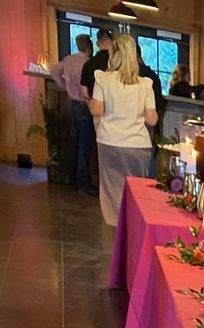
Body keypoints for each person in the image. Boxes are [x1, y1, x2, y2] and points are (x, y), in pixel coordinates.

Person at [89, 34, 157, 227]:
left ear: (114, 54)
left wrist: (90, 105)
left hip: (109, 141)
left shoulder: (103, 78)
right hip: (138, 144)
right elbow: (152, 120)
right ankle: (134, 228)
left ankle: (116, 231)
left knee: (113, 192)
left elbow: (98, 109)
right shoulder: (145, 84)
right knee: (138, 192)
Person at [50, 33, 96, 194]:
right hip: (84, 105)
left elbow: (54, 71)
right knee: (85, 144)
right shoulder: (87, 64)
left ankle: (75, 180)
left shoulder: (68, 60)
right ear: (89, 47)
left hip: (71, 103)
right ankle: (83, 184)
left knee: (75, 142)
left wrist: (64, 86)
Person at [80, 28, 113, 99]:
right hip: (114, 105)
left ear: (97, 43)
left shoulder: (88, 64)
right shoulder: (116, 63)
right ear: (112, 43)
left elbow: (84, 93)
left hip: (95, 103)